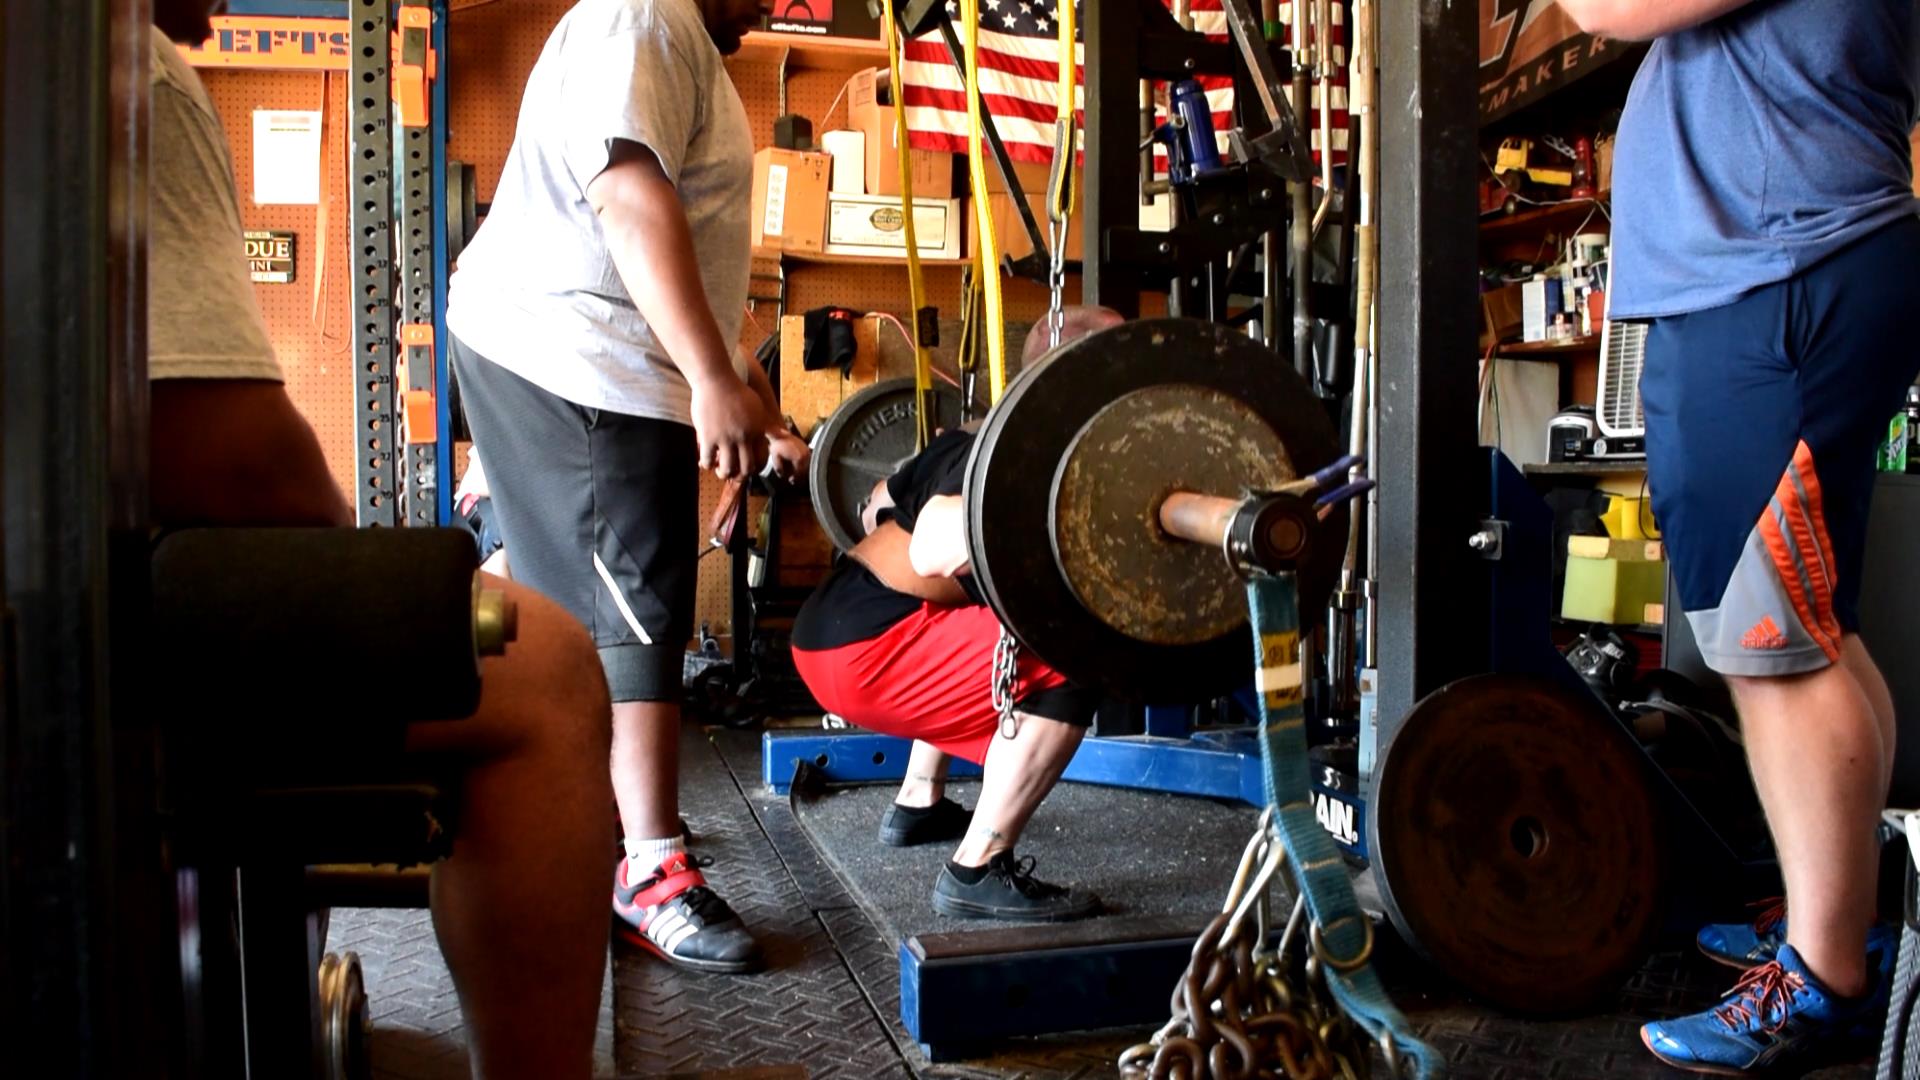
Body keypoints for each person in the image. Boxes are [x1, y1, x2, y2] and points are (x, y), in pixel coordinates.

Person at [149, 3, 615, 1075]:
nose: (221, 6)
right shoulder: (132, 72)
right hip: (100, 656)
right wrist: (357, 575)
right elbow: (228, 461)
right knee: (546, 667)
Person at [1559, 0, 1919, 1072]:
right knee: (1812, 629)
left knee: (1774, 646)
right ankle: (1840, 918)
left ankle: (1824, 978)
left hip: (1772, 276)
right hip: (1785, 265)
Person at [445, 0, 807, 972]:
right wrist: (707, 378)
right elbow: (626, 196)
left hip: (602, 357)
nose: (772, 5)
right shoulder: (642, 18)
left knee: (606, 601)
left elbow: (674, 239)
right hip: (579, 357)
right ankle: (647, 867)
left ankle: (589, 825)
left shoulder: (673, 41)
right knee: (636, 614)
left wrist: (736, 377)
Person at [788, 308, 1125, 921]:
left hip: (827, 628)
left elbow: (873, 505)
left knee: (978, 617)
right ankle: (977, 868)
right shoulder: (1026, 451)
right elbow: (933, 545)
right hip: (868, 650)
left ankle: (920, 799)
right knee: (1073, 649)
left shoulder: (972, 432)